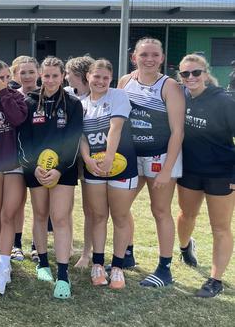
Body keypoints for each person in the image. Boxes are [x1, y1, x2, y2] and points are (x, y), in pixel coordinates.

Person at [118, 37, 184, 288]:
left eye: (154, 55)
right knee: (121, 208)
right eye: (144, 54)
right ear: (134, 57)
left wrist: (167, 170)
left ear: (162, 57)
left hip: (161, 157)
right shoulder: (125, 81)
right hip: (133, 156)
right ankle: (127, 253)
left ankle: (164, 269)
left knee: (160, 211)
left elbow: (178, 131)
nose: (149, 59)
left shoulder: (169, 86)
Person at [17, 56, 83, 299]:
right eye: (47, 76)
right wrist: (33, 167)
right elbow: (23, 140)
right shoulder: (29, 101)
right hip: (36, 170)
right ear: (40, 76)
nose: (51, 80)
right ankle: (43, 263)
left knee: (61, 218)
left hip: (62, 171)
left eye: (56, 75)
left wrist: (60, 168)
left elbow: (74, 141)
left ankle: (63, 275)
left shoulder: (73, 103)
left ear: (63, 75)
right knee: (40, 215)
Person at [175, 54, 235, 297]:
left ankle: (215, 279)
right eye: (185, 74)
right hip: (189, 170)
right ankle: (185, 247)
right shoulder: (180, 97)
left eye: (196, 73)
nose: (191, 77)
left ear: (206, 74)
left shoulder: (223, 101)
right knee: (186, 215)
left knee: (220, 227)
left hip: (221, 172)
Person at [80, 59, 138, 290]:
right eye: (97, 76)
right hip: (93, 167)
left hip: (121, 165)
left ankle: (117, 267)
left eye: (105, 78)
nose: (101, 81)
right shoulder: (81, 103)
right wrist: (87, 160)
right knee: (98, 216)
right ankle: (97, 264)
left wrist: (109, 158)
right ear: (88, 77)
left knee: (120, 216)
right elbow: (81, 137)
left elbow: (115, 128)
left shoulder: (118, 96)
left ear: (111, 79)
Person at [0, 60, 27, 294]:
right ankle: (4, 262)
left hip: (14, 164)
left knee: (9, 215)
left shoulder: (15, 96)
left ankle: (3, 269)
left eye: (8, 76)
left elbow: (18, 119)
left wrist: (4, 95)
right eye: (1, 77)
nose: (6, 80)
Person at [64, 55, 95, 269]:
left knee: (89, 208)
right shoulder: (66, 94)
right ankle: (67, 247)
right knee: (64, 206)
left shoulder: (97, 97)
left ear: (80, 75)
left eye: (69, 74)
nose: (66, 78)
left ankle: (87, 253)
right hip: (67, 157)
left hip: (89, 158)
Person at [8, 55, 39, 262]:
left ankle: (37, 246)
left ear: (38, 72)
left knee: (41, 206)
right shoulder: (11, 96)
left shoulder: (49, 94)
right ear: (15, 75)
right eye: (22, 72)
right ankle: (16, 244)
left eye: (30, 71)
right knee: (17, 203)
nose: (27, 76)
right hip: (18, 159)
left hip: (43, 160)